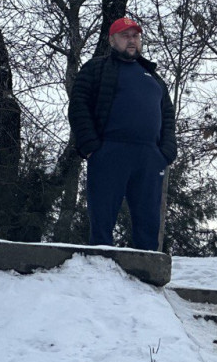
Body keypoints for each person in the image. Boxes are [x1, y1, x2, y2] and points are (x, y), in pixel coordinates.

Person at [68, 17, 177, 251]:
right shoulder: (97, 67)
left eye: (135, 36)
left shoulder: (154, 77)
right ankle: (100, 273)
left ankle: (146, 276)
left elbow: (168, 115)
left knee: (148, 223)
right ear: (112, 39)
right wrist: (91, 145)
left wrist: (165, 153)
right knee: (102, 221)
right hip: (109, 151)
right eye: (125, 36)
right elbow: (78, 105)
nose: (132, 40)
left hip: (149, 156)